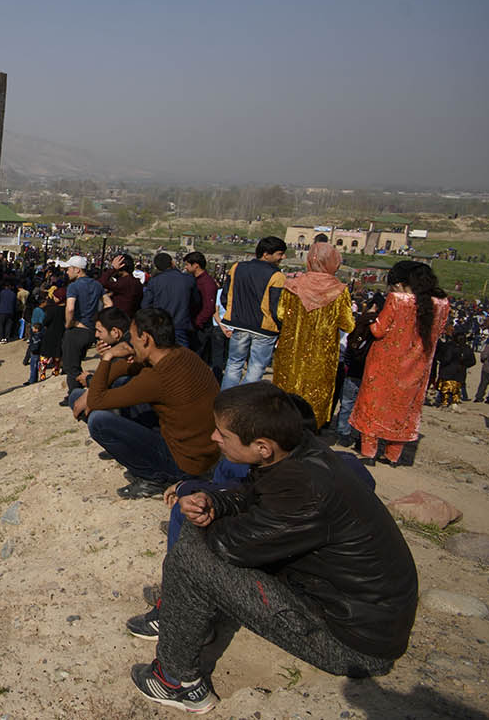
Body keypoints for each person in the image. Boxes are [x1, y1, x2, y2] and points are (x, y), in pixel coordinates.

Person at [127, 383, 417, 713]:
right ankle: (188, 621)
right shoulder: (299, 451)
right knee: (200, 535)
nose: (214, 438)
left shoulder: (306, 492)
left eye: (223, 434)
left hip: (353, 644)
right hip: (355, 615)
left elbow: (229, 546)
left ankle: (175, 681)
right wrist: (215, 502)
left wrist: (207, 518)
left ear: (262, 447)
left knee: (192, 555)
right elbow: (254, 495)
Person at [72, 308, 220, 499]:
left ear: (146, 339)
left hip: (186, 465)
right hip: (207, 454)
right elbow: (127, 370)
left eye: (132, 338)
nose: (129, 343)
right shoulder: (181, 354)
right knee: (82, 395)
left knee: (98, 421)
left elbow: (96, 400)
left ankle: (154, 478)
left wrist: (108, 357)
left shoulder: (158, 378)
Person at [349, 261, 449, 465]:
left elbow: (379, 330)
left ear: (403, 283)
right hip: (418, 366)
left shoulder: (398, 300)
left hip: (385, 364)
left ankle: (369, 453)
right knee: (404, 409)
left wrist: (371, 318)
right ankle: (393, 456)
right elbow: (439, 331)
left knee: (373, 406)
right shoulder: (442, 303)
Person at [271, 243, 355, 422]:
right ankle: (311, 424)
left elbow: (281, 314)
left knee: (289, 385)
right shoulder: (340, 291)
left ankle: (284, 422)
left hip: (292, 349)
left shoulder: (291, 286)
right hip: (322, 353)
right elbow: (347, 324)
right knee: (316, 390)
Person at [219, 237, 288, 389]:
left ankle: (226, 397)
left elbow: (225, 297)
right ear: (266, 254)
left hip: (239, 324)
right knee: (256, 367)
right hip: (264, 328)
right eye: (279, 254)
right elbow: (277, 308)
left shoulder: (237, 268)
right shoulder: (277, 276)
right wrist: (281, 326)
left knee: (233, 363)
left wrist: (236, 314)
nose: (282, 257)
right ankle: (245, 399)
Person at [62, 255, 103, 385]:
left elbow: (70, 308)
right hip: (90, 330)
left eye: (69, 269)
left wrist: (69, 324)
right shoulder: (97, 285)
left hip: (77, 329)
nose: (67, 272)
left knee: (71, 367)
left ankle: (75, 392)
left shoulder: (73, 287)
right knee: (77, 362)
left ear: (77, 270)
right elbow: (109, 303)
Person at [141, 253, 196, 347]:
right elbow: (196, 302)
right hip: (181, 325)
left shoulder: (154, 281)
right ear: (172, 263)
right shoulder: (188, 280)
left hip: (161, 325)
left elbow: (145, 305)